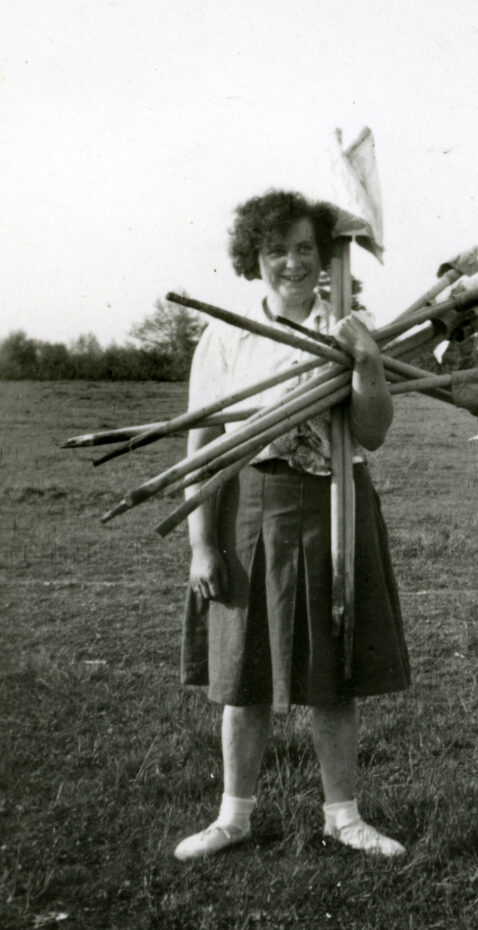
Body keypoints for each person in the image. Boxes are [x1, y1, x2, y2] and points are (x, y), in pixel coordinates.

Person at [174, 190, 410, 862]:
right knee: (242, 675)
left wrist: (364, 363)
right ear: (254, 258)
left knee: (332, 671)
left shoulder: (349, 324)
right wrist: (201, 543)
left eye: (305, 248)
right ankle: (233, 818)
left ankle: (343, 817)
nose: (292, 262)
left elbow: (373, 431)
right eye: (276, 250)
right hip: (252, 506)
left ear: (323, 256)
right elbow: (202, 445)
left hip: (337, 502)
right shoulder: (226, 335)